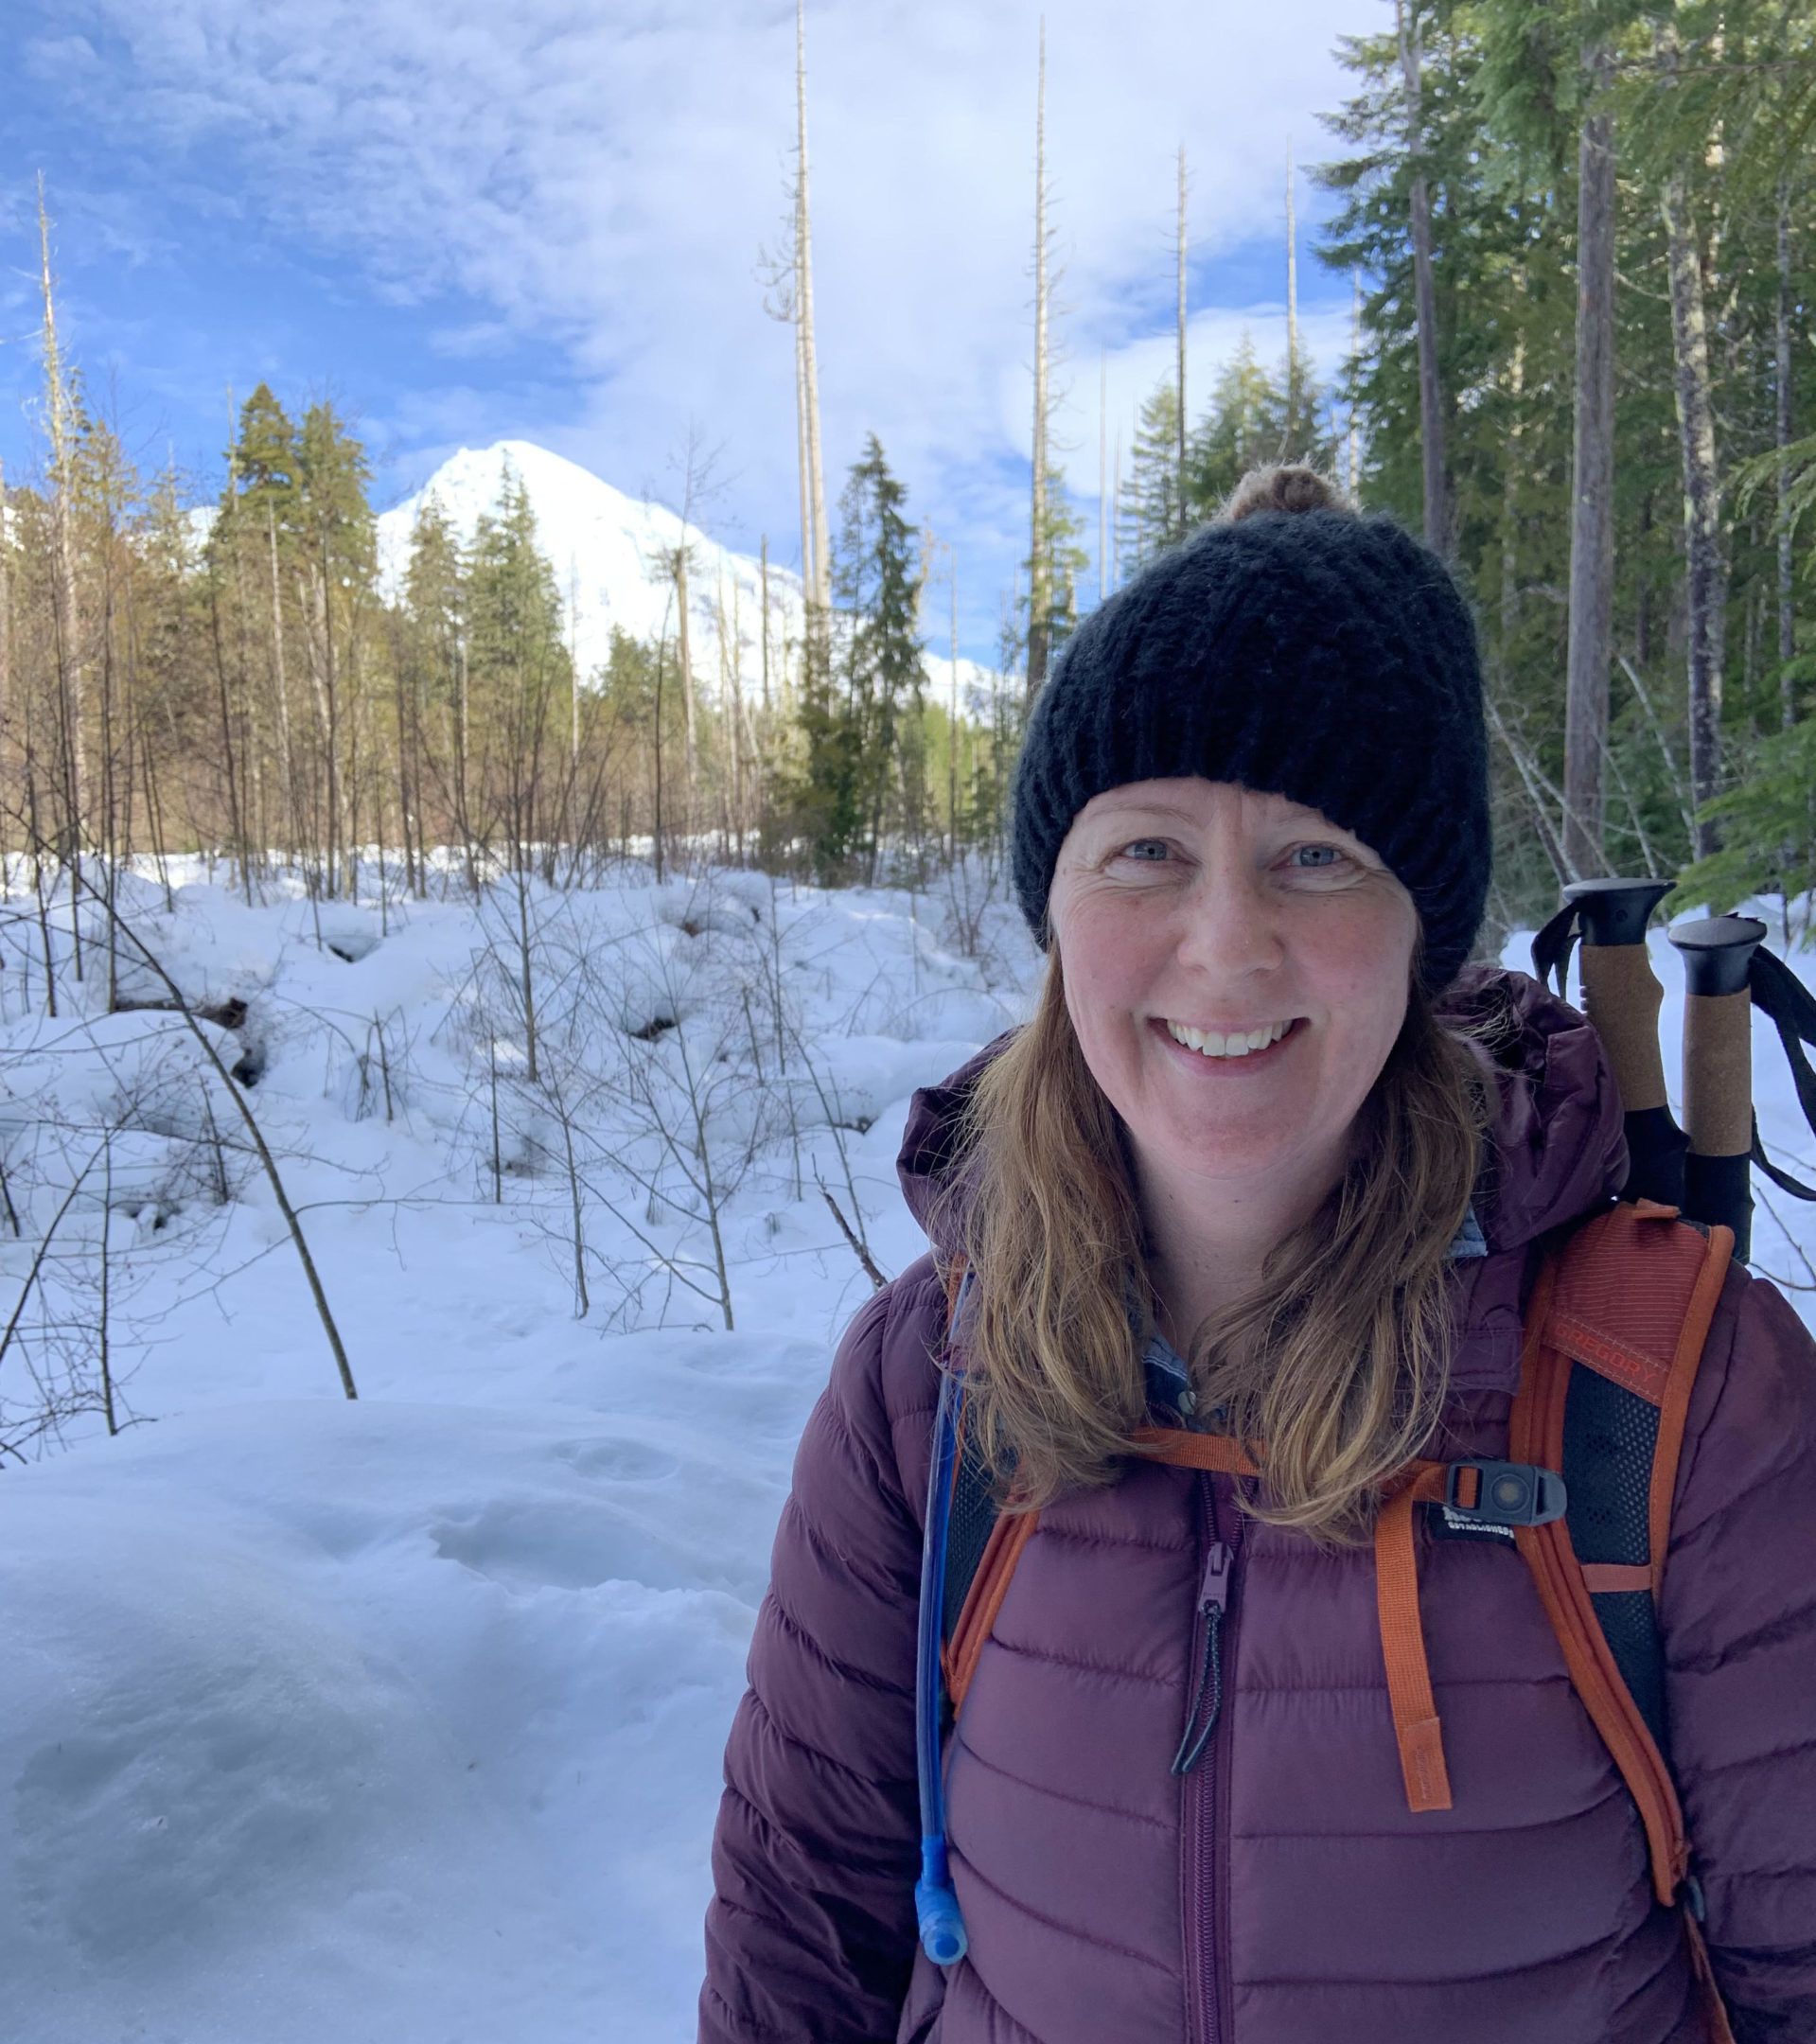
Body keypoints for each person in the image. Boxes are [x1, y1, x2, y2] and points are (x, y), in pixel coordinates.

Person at [698, 467, 1816, 2044]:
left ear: (1424, 932)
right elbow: (797, 1934)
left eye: (1314, 856)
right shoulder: (925, 1386)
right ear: (1057, 911)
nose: (1224, 947)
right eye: (1146, 851)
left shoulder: (1683, 1396)